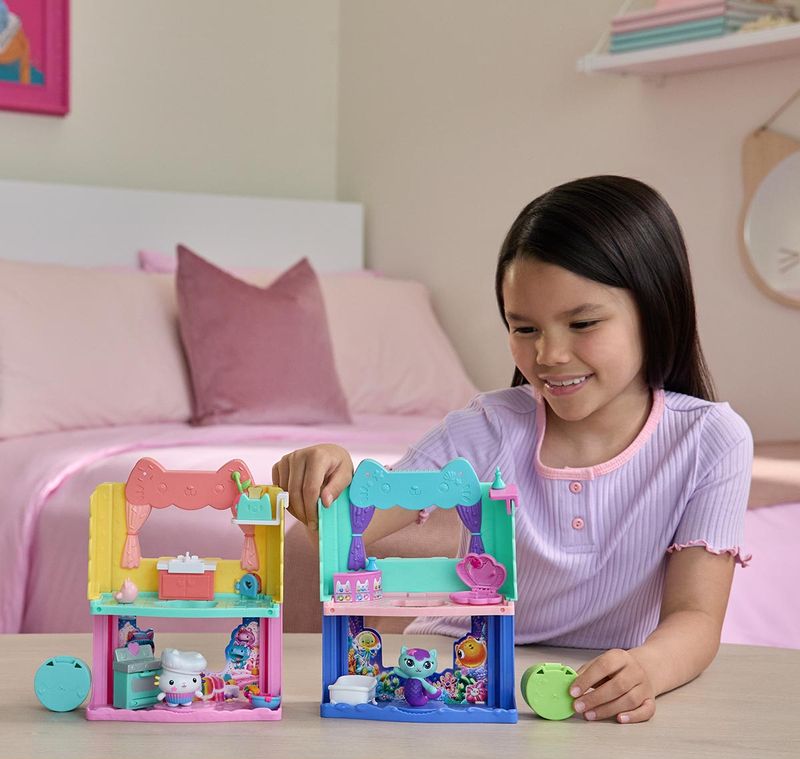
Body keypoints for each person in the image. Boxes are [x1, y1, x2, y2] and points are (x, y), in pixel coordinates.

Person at [272, 175, 753, 724]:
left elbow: (696, 616)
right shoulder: (488, 427)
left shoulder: (712, 440)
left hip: (585, 691)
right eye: (523, 328)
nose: (549, 354)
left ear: (656, 308)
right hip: (452, 674)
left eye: (582, 323)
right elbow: (347, 527)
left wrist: (646, 670)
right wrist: (327, 477)